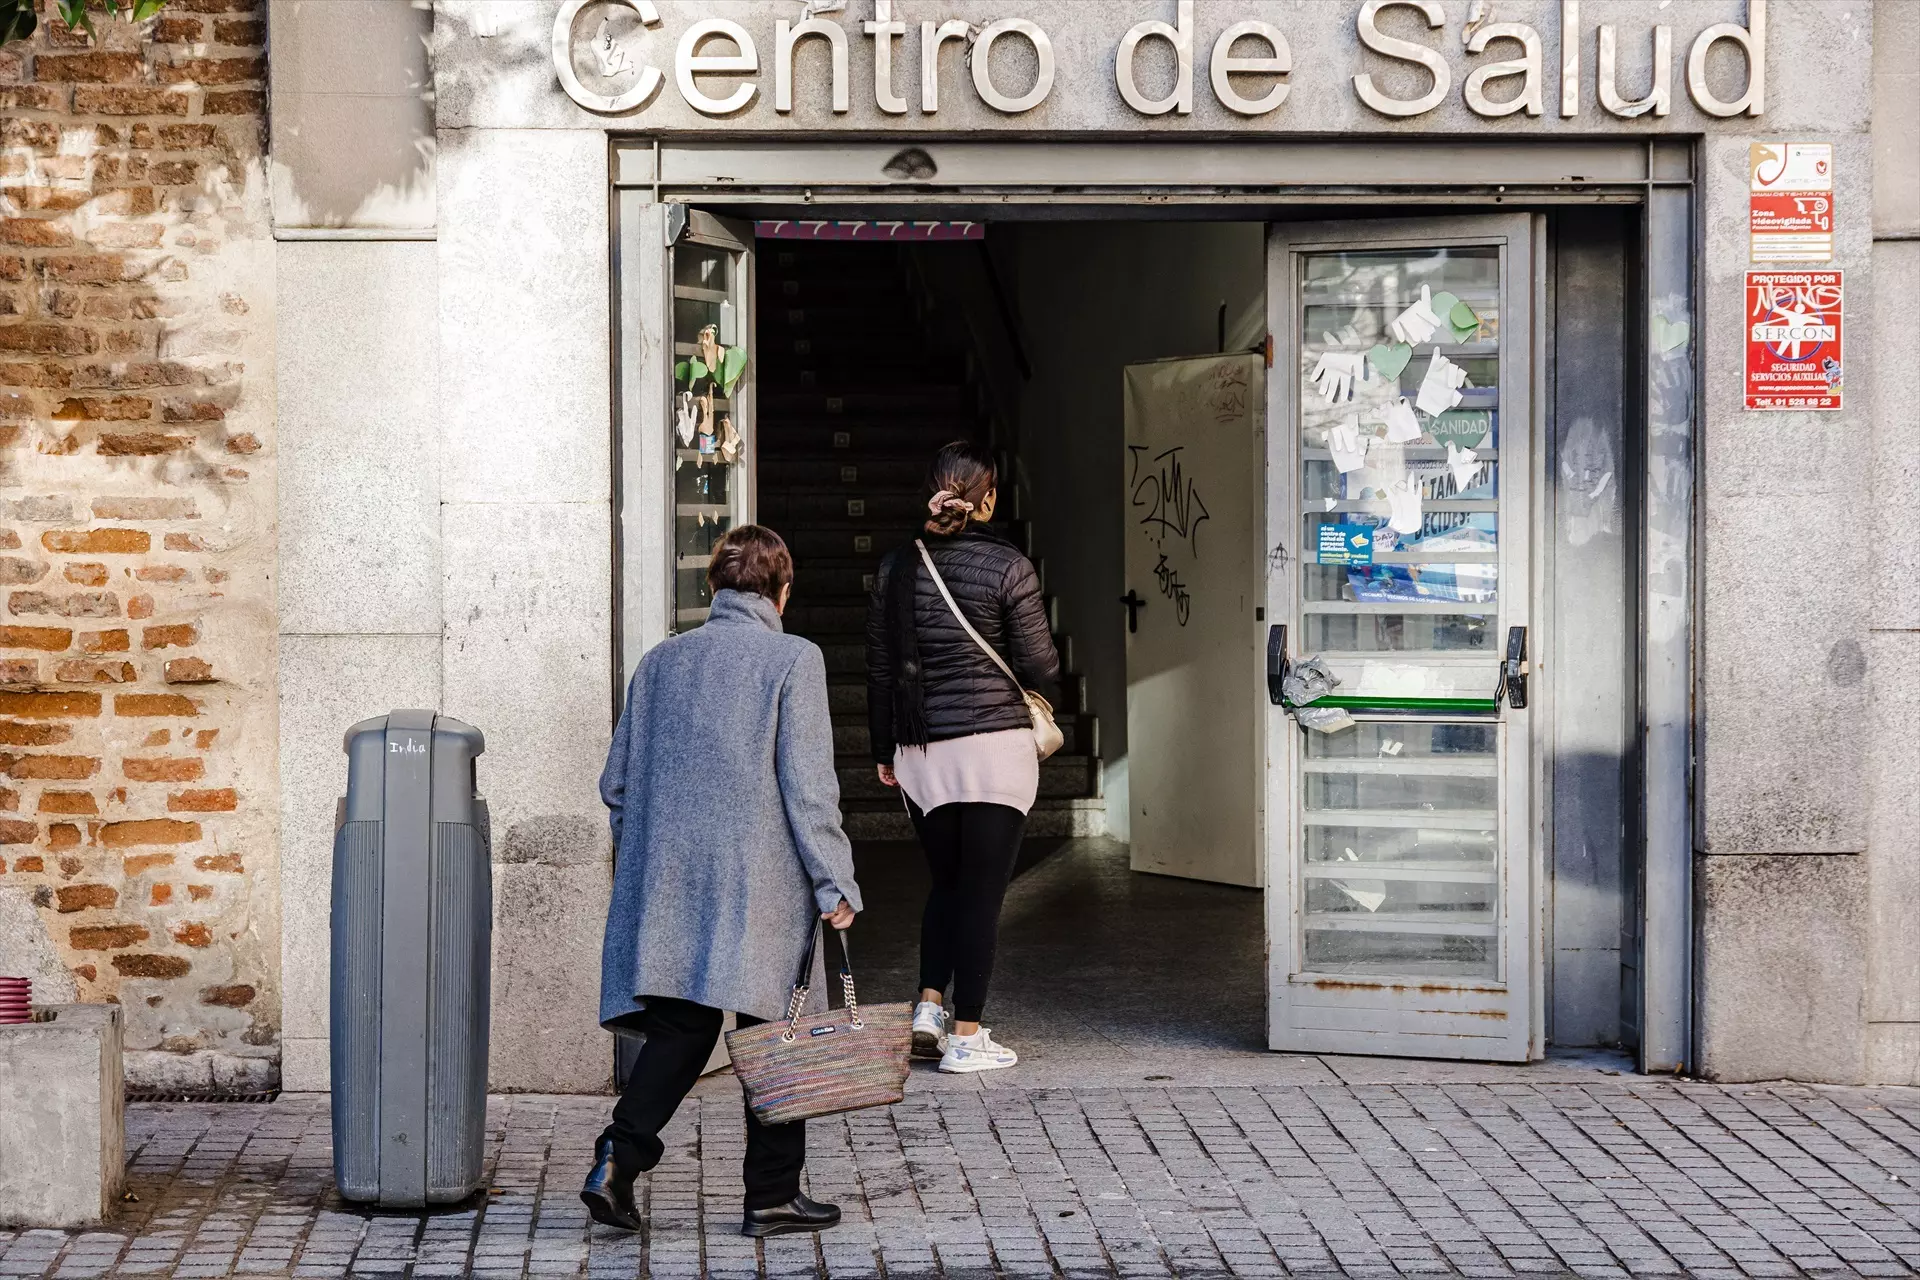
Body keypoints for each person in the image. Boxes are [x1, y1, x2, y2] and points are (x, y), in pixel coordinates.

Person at [584, 524, 861, 1239]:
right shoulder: (794, 659)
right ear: (782, 590)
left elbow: (617, 785)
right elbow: (809, 788)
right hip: (761, 883)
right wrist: (835, 881)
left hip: (669, 880)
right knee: (778, 1030)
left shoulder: (659, 662)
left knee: (682, 1026)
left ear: (712, 588)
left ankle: (618, 1157)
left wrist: (652, 857)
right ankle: (772, 1195)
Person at [864, 440, 1061, 1074]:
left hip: (922, 755)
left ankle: (927, 1007)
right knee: (981, 896)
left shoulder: (896, 567)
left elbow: (878, 669)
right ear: (989, 498)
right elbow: (1039, 665)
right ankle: (968, 1037)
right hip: (996, 753)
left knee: (945, 886)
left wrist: (881, 749)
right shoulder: (1009, 568)